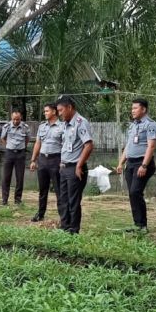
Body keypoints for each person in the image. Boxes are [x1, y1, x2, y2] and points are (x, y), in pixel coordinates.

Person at [116, 98, 156, 233]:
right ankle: (137, 225)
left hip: (142, 163)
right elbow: (128, 145)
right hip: (131, 163)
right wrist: (121, 163)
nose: (132, 111)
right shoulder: (133, 125)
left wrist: (144, 165)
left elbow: (151, 146)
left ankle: (142, 225)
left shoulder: (150, 125)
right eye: (132, 108)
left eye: (135, 108)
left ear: (143, 109)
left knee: (135, 191)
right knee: (133, 194)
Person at [56, 96, 93, 234]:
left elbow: (88, 145)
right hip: (65, 167)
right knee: (63, 200)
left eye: (61, 110)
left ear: (69, 108)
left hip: (75, 168)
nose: (59, 113)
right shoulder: (65, 124)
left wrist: (79, 165)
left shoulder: (80, 122)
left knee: (73, 201)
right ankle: (64, 227)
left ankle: (73, 229)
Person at [29, 103, 65, 223]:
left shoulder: (62, 126)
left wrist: (63, 161)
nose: (45, 113)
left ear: (54, 112)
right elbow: (38, 143)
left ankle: (63, 217)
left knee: (58, 190)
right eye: (44, 111)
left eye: (47, 111)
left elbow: (65, 145)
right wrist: (33, 160)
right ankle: (40, 214)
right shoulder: (42, 127)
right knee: (42, 190)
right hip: (43, 160)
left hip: (56, 160)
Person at [0, 109, 30, 205]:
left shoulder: (25, 127)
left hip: (20, 154)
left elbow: (27, 139)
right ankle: (4, 199)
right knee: (6, 177)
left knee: (20, 177)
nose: (16, 121)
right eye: (14, 119)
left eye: (17, 119)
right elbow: (2, 138)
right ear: (11, 118)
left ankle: (18, 199)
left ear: (20, 118)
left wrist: (22, 147)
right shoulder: (7, 126)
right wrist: (8, 146)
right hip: (9, 153)